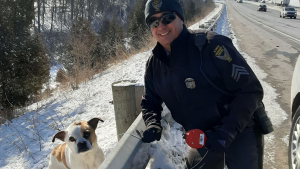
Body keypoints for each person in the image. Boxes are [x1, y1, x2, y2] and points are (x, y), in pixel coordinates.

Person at [140, 0, 271, 169]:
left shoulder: (212, 47)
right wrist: (153, 123)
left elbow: (250, 90)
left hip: (239, 129)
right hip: (201, 136)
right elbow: (150, 102)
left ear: (180, 18)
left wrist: (227, 132)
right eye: (154, 22)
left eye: (167, 18)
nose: (161, 27)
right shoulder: (154, 64)